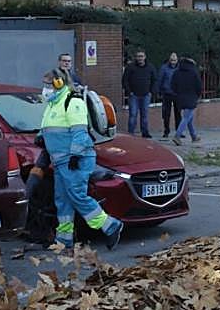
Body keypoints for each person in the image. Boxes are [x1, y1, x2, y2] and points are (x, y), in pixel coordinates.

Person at [39, 65, 123, 249]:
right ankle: (64, 239)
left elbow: (80, 133)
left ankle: (110, 226)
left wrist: (76, 155)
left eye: (48, 84)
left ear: (59, 83)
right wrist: (41, 137)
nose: (45, 89)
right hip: (61, 162)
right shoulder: (53, 104)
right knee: (63, 200)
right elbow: (52, 127)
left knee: (77, 196)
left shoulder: (72, 102)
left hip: (74, 160)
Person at [121, 50, 155, 138]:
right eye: (138, 56)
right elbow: (125, 80)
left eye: (141, 56)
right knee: (133, 114)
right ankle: (131, 133)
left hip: (146, 95)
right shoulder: (130, 67)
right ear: (136, 57)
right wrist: (129, 92)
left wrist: (151, 91)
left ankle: (145, 132)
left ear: (145, 57)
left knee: (145, 115)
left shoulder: (150, 67)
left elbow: (154, 80)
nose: (140, 58)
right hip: (134, 95)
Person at [170, 57, 203, 146]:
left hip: (180, 97)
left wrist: (178, 93)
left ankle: (194, 136)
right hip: (191, 97)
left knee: (189, 118)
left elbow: (172, 85)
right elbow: (199, 86)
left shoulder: (176, 72)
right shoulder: (193, 72)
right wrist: (198, 95)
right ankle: (177, 136)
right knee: (186, 117)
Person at [157, 52, 181, 138]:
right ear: (169, 60)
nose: (173, 62)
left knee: (178, 113)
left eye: (174, 60)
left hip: (177, 94)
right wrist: (159, 91)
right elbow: (160, 79)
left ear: (177, 60)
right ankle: (166, 131)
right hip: (167, 93)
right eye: (171, 60)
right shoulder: (164, 68)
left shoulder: (180, 68)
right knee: (166, 114)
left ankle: (179, 131)